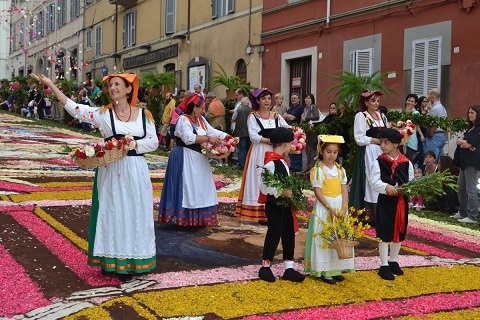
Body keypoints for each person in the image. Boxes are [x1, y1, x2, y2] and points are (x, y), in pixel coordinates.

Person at [30, 72, 159, 282]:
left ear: (129, 89)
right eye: (111, 85)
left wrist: (134, 145)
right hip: (111, 170)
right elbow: (75, 109)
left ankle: (134, 260)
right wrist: (51, 85)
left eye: (118, 84)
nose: (113, 88)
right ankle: (111, 261)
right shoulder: (103, 114)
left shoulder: (145, 114)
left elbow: (153, 141)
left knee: (135, 211)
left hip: (136, 169)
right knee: (113, 212)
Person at [158, 93, 227, 226]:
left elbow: (212, 131)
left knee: (199, 187)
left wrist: (228, 137)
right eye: (202, 108)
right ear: (193, 108)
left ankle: (198, 218)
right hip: (184, 156)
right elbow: (188, 138)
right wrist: (207, 139)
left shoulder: (201, 120)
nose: (204, 111)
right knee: (186, 187)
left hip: (198, 158)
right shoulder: (183, 120)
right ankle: (184, 217)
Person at [257, 127, 305, 283]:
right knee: (274, 232)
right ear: (285, 144)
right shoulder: (271, 162)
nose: (292, 146)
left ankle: (289, 267)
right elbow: (263, 185)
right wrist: (280, 190)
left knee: (288, 233)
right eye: (291, 143)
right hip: (275, 204)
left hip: (285, 204)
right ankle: (265, 266)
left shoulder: (282, 160)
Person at [304, 135, 354, 284]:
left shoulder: (340, 170)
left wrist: (344, 207)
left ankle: (336, 268)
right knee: (324, 237)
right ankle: (324, 270)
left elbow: (344, 189)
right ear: (321, 151)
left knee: (339, 237)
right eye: (328, 151)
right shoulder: (317, 170)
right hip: (325, 207)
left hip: (339, 206)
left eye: (335, 152)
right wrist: (330, 208)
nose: (332, 155)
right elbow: (318, 192)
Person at [236, 89, 290, 222]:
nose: (267, 101)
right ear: (258, 101)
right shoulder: (253, 116)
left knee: (275, 177)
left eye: (268, 98)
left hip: (275, 150)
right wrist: (270, 141)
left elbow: (287, 128)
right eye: (263, 98)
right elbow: (253, 136)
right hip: (260, 150)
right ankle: (258, 212)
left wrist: (295, 135)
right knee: (259, 177)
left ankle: (272, 209)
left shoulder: (276, 115)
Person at [370, 128, 414, 280]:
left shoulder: (406, 162)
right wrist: (385, 187)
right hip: (386, 201)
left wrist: (407, 188)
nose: (382, 145)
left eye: (385, 143)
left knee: (399, 230)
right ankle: (383, 264)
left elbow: (412, 181)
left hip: (400, 202)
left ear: (396, 144)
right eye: (381, 142)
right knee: (384, 231)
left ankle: (393, 260)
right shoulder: (379, 162)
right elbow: (374, 181)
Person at [349, 91, 388, 224]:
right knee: (370, 180)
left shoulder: (381, 116)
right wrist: (378, 141)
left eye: (377, 100)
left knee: (380, 178)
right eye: (373, 100)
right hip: (369, 152)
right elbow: (359, 138)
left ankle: (380, 212)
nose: (376, 103)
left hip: (382, 152)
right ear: (366, 103)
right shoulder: (361, 116)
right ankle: (367, 214)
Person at [452, 105, 480, 223]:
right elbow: (460, 141)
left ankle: (472, 216)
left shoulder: (478, 130)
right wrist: (465, 143)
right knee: (460, 188)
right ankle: (463, 212)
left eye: (472, 113)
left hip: (472, 163)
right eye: (469, 112)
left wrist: (466, 144)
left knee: (471, 189)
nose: (470, 115)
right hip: (464, 163)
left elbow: (467, 144)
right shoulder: (470, 129)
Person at [425, 88, 447, 160]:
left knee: (431, 160)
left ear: (432, 96)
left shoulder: (434, 109)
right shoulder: (442, 108)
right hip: (442, 135)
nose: (427, 97)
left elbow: (429, 122)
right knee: (439, 160)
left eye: (428, 95)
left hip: (434, 136)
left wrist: (428, 110)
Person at [300, 93, 320, 174]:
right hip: (306, 132)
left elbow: (317, 116)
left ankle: (313, 167)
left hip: (312, 132)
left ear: (312, 99)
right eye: (305, 98)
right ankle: (307, 167)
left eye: (308, 98)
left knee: (312, 150)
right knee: (307, 150)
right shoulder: (305, 108)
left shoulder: (313, 107)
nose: (306, 100)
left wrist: (306, 118)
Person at [284, 93, 303, 172]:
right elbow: (284, 116)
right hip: (290, 130)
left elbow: (292, 118)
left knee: (297, 148)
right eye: (292, 98)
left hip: (297, 131)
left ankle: (297, 166)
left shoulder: (299, 108)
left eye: (295, 98)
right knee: (291, 148)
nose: (293, 99)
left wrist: (288, 116)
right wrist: (288, 116)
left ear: (299, 99)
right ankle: (292, 165)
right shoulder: (291, 108)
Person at [232, 96, 252, 170]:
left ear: (242, 103)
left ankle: (241, 165)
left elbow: (233, 120)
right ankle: (249, 165)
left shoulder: (239, 110)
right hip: (250, 133)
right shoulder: (252, 110)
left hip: (241, 132)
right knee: (249, 149)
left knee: (242, 149)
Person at [412, 96, 429, 168]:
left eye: (427, 102)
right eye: (424, 102)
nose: (426, 103)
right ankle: (412, 163)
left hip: (425, 132)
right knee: (422, 151)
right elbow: (417, 124)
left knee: (424, 153)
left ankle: (420, 167)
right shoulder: (417, 112)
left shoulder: (427, 112)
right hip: (419, 133)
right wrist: (421, 134)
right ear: (420, 102)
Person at [404, 94, 420, 162]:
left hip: (410, 141)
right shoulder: (404, 112)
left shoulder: (416, 113)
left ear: (415, 103)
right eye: (408, 100)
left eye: (412, 101)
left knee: (409, 162)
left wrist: (407, 113)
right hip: (403, 141)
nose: (410, 103)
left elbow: (410, 125)